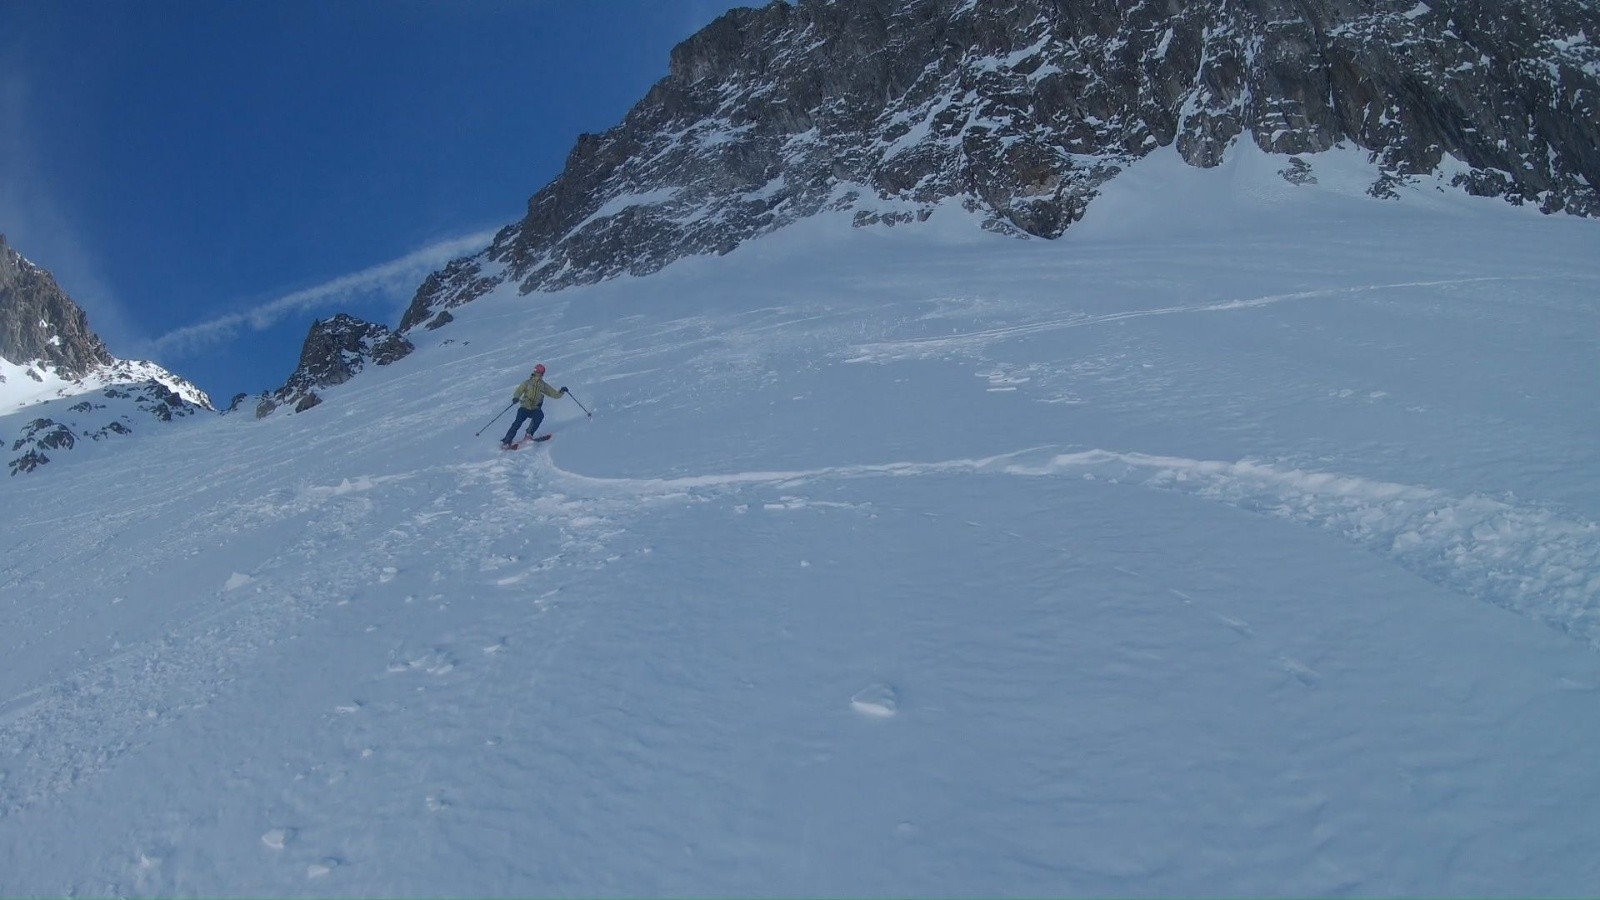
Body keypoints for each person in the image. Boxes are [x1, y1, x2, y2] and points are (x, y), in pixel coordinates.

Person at [501, 363, 568, 448]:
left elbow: (554, 394)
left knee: (539, 415)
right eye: (538, 372)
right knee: (517, 423)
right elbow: (519, 391)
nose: (539, 374)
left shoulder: (542, 385)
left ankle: (529, 434)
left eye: (541, 372)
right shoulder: (527, 383)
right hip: (524, 407)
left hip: (534, 408)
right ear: (535, 372)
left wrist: (561, 391)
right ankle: (507, 441)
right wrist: (516, 398)